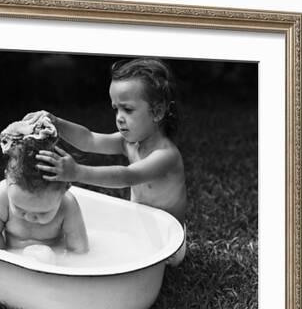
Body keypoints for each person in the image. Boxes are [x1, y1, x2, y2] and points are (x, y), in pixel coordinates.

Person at [26, 58, 187, 265]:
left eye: (127, 110)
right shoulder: (129, 143)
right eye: (116, 109)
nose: (119, 117)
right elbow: (89, 139)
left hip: (168, 242)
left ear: (157, 111)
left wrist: (77, 172)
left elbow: (126, 176)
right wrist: (55, 121)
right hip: (140, 226)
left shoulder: (166, 156)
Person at [0, 115, 89, 262]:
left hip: (53, 261)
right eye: (19, 208)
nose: (30, 217)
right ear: (7, 181)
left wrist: (61, 264)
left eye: (43, 212)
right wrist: (5, 260)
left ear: (65, 188)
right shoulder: (2, 196)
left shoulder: (68, 205)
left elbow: (79, 250)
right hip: (11, 258)